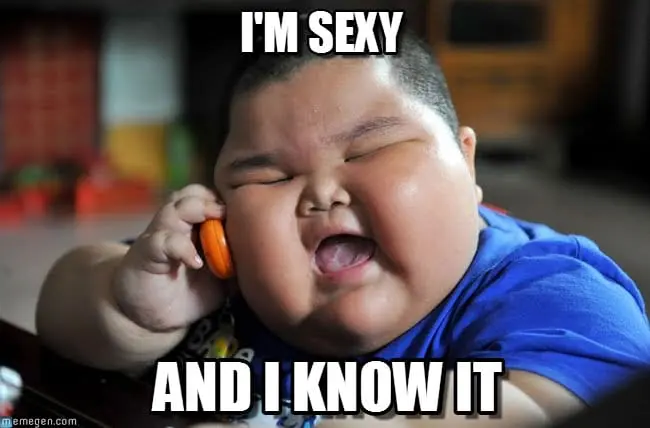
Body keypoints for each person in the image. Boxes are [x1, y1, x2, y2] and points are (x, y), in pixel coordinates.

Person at [35, 30, 650, 428]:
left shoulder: (556, 291)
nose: (321, 192)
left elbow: (547, 408)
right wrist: (131, 309)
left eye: (367, 151)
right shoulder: (211, 278)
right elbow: (61, 315)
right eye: (270, 177)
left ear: (466, 164)